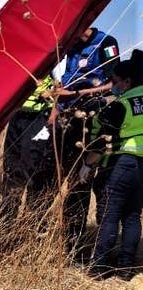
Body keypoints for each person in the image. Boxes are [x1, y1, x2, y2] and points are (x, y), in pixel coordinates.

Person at [49, 27, 119, 251]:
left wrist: (79, 94)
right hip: (64, 117)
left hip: (88, 119)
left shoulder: (107, 43)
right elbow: (61, 81)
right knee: (54, 175)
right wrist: (55, 111)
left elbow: (115, 84)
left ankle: (75, 244)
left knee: (80, 181)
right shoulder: (69, 45)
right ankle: (47, 236)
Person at [81, 50, 143, 280]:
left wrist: (87, 165)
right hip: (142, 168)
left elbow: (102, 142)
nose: (113, 86)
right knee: (132, 215)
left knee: (110, 214)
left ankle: (98, 266)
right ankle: (126, 267)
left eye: (115, 82)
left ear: (128, 81)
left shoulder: (122, 105)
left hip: (122, 162)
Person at [1, 77, 55, 214]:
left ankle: (32, 222)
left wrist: (51, 92)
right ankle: (8, 218)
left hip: (39, 116)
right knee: (10, 167)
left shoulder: (54, 60)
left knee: (31, 168)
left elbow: (63, 84)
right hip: (18, 114)